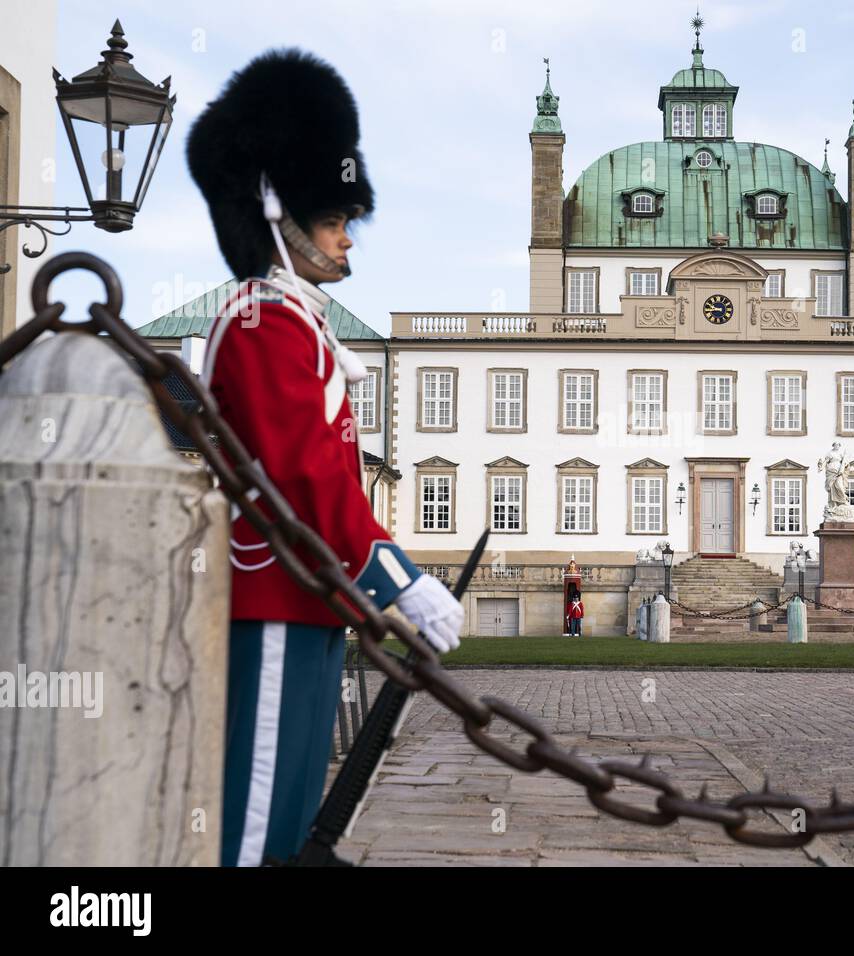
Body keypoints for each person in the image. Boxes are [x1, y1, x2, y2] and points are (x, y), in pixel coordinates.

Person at [187, 49, 465, 867]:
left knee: (299, 802)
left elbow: (329, 478)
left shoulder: (298, 322)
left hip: (307, 593)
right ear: (280, 213)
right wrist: (398, 580)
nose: (348, 241)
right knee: (258, 808)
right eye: (336, 220)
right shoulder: (262, 320)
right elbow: (303, 476)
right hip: (273, 589)